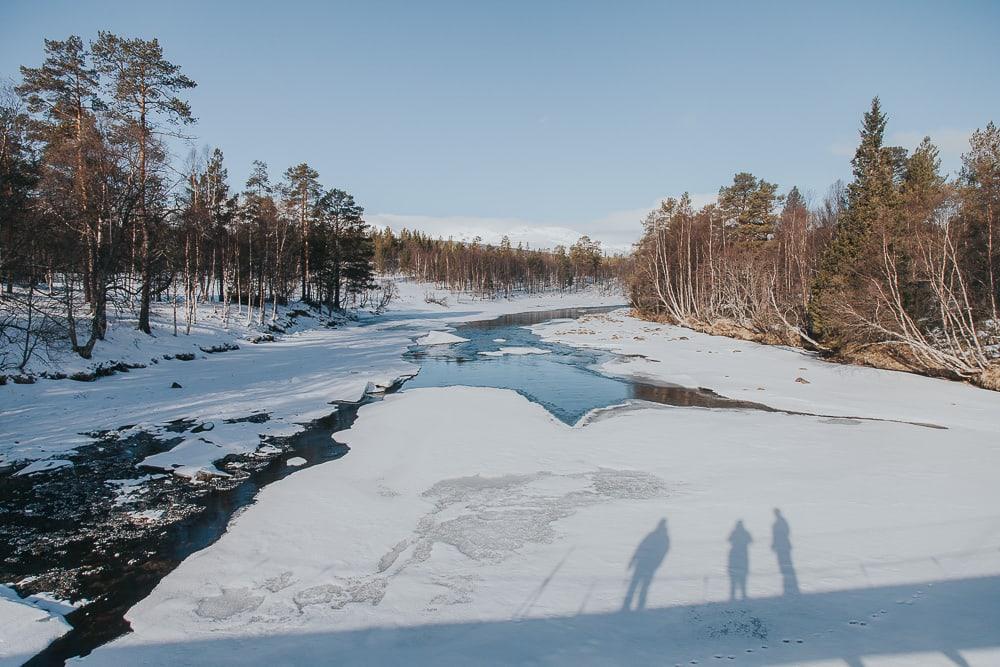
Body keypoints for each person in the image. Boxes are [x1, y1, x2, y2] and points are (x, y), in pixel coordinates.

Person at [622, 518, 669, 611]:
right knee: (640, 585)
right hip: (646, 564)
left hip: (646, 564)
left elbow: (641, 548)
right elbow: (641, 547)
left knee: (638, 584)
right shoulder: (661, 537)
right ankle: (637, 605)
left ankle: (632, 605)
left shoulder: (656, 536)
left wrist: (633, 561)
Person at [772, 508, 799, 595]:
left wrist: (776, 541)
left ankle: (788, 576)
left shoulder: (779, 523)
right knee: (784, 560)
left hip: (783, 544)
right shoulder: (779, 522)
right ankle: (787, 575)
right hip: (783, 544)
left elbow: (785, 532)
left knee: (785, 560)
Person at [728, 520, 752, 600]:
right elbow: (751, 540)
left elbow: (729, 539)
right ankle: (743, 594)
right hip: (743, 556)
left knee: (734, 579)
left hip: (735, 557)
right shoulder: (745, 532)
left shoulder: (734, 532)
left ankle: (733, 596)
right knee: (743, 577)